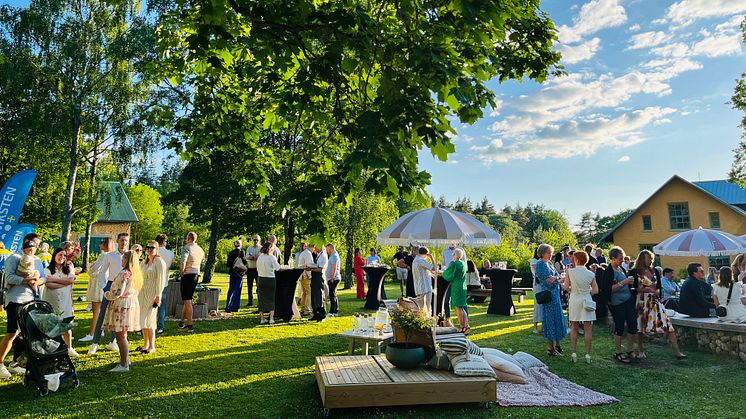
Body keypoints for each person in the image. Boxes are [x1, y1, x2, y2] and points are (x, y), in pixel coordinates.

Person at [0, 233, 45, 379]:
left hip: (31, 300)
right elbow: (9, 278)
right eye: (35, 244)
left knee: (25, 333)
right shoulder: (14, 257)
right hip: (15, 300)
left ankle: (15, 363)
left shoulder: (37, 259)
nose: (36, 248)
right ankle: (0, 363)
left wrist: (36, 281)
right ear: (27, 243)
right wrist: (28, 280)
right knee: (12, 333)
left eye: (38, 245)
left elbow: (42, 277)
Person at [628, 250, 685, 360]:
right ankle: (640, 350)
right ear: (642, 259)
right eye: (648, 258)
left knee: (667, 324)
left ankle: (678, 352)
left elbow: (659, 286)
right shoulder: (635, 272)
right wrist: (645, 290)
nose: (650, 260)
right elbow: (633, 289)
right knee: (640, 327)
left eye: (651, 258)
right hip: (641, 302)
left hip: (655, 301)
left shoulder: (655, 271)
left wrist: (658, 291)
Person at [89, 232, 129, 354]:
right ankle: (94, 343)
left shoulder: (130, 256)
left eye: (126, 240)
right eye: (122, 240)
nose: (124, 243)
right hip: (110, 286)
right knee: (102, 316)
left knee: (117, 316)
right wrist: (104, 287)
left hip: (124, 288)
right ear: (117, 241)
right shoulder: (110, 256)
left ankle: (113, 342)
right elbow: (102, 272)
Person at [103, 250, 142, 372]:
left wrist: (107, 294)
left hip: (122, 305)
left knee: (120, 335)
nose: (121, 259)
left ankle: (124, 364)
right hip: (130, 303)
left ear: (128, 260)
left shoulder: (125, 273)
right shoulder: (135, 274)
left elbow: (119, 292)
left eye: (124, 258)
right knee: (122, 334)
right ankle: (125, 359)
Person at [562, 251, 597, 364]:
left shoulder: (570, 271)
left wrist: (574, 290)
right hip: (587, 299)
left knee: (574, 327)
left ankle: (574, 353)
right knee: (588, 329)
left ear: (576, 260)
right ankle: (587, 354)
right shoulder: (591, 274)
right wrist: (587, 293)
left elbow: (566, 287)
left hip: (575, 299)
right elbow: (596, 290)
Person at [603, 247, 637, 363]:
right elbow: (608, 289)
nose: (622, 261)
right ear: (612, 258)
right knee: (620, 327)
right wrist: (624, 282)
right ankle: (618, 352)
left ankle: (630, 349)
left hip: (627, 300)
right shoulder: (609, 271)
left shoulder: (621, 268)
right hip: (617, 303)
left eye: (622, 259)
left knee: (633, 324)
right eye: (620, 259)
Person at [43, 248, 78, 357]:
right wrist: (64, 283)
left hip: (65, 301)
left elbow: (71, 280)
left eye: (64, 255)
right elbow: (48, 284)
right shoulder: (47, 269)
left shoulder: (68, 268)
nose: (62, 257)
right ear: (54, 256)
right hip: (51, 300)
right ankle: (52, 348)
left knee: (66, 325)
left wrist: (53, 280)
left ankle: (69, 347)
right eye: (60, 255)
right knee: (52, 326)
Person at [535, 244, 567, 356]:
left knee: (557, 318)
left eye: (551, 252)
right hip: (549, 296)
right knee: (550, 320)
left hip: (555, 295)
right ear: (542, 253)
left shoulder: (549, 263)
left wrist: (557, 278)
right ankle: (551, 348)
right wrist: (558, 278)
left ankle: (557, 345)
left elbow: (557, 276)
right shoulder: (540, 265)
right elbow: (549, 280)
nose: (551, 255)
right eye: (549, 252)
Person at [137, 241, 168, 354]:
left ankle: (152, 346)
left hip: (152, 293)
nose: (150, 249)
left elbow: (161, 280)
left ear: (157, 249)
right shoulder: (144, 262)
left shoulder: (159, 262)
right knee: (142, 319)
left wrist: (158, 295)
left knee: (150, 320)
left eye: (153, 247)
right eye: (148, 247)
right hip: (142, 293)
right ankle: (146, 344)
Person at [80, 239, 113, 342]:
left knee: (96, 311)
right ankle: (100, 330)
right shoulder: (110, 255)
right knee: (100, 310)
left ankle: (93, 333)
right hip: (102, 284)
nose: (99, 245)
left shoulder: (104, 255)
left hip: (98, 285)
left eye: (101, 243)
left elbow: (94, 270)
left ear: (104, 245)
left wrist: (90, 268)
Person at [179, 232, 205, 332]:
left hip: (188, 274)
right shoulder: (200, 250)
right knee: (187, 299)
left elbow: (183, 261)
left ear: (189, 239)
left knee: (187, 300)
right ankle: (181, 321)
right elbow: (202, 262)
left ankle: (189, 325)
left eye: (186, 238)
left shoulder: (186, 248)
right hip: (196, 275)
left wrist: (182, 272)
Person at [443, 248, 469, 334]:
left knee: (458, 307)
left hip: (456, 287)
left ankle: (462, 327)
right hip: (463, 286)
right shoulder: (463, 264)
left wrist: (442, 273)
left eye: (453, 254)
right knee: (462, 307)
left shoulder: (453, 264)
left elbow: (448, 275)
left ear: (455, 255)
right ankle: (466, 326)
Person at [257, 242, 281, 324]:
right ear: (270, 249)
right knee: (271, 298)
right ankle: (271, 319)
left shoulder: (260, 257)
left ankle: (262, 319)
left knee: (261, 298)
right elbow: (278, 268)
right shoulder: (272, 257)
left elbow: (257, 268)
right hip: (270, 279)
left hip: (261, 279)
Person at [155, 234, 174, 334]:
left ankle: (147, 325)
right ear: (164, 242)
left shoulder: (154, 252)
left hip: (153, 281)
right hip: (164, 282)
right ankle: (160, 326)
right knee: (161, 306)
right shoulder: (170, 254)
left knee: (150, 305)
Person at [411, 247, 436, 315]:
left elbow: (421, 272)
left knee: (421, 308)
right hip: (425, 288)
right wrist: (431, 258)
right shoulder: (421, 260)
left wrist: (430, 274)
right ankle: (428, 322)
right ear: (426, 254)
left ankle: (424, 322)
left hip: (419, 287)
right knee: (427, 308)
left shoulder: (416, 260)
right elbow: (434, 268)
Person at [224, 239, 246, 314]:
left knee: (231, 289)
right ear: (240, 245)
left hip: (232, 273)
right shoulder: (241, 252)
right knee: (237, 290)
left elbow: (228, 264)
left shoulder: (231, 253)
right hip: (239, 273)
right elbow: (245, 262)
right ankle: (235, 307)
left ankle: (228, 306)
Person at [309, 243, 328, 321]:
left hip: (319, 276)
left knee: (319, 296)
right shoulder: (318, 255)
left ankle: (321, 314)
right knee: (314, 296)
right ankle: (315, 314)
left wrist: (311, 269)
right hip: (315, 276)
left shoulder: (323, 256)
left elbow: (320, 268)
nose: (315, 248)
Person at [297, 242, 315, 313]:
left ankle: (303, 308)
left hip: (301, 275)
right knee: (308, 292)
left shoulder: (303, 253)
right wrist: (310, 276)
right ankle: (307, 309)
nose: (314, 250)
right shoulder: (308, 253)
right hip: (305, 275)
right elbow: (309, 266)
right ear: (312, 247)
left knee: (304, 293)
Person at [245, 235, 261, 307]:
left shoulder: (261, 248)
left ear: (259, 240)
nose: (255, 241)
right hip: (250, 269)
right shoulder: (249, 248)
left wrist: (254, 257)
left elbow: (260, 257)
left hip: (258, 270)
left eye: (257, 240)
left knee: (259, 286)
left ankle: (259, 302)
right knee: (249, 286)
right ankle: (250, 302)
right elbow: (247, 257)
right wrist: (251, 257)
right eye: (254, 240)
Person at [325, 244, 341, 317]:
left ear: (331, 248)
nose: (327, 251)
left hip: (334, 278)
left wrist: (332, 278)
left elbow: (334, 268)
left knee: (332, 295)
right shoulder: (333, 255)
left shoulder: (334, 256)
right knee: (334, 294)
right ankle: (335, 311)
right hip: (334, 278)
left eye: (327, 249)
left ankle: (332, 312)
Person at [530, 246, 542, 334]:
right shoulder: (534, 261)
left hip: (543, 284)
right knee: (537, 304)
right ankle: (535, 326)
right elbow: (538, 270)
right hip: (537, 284)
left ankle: (544, 325)